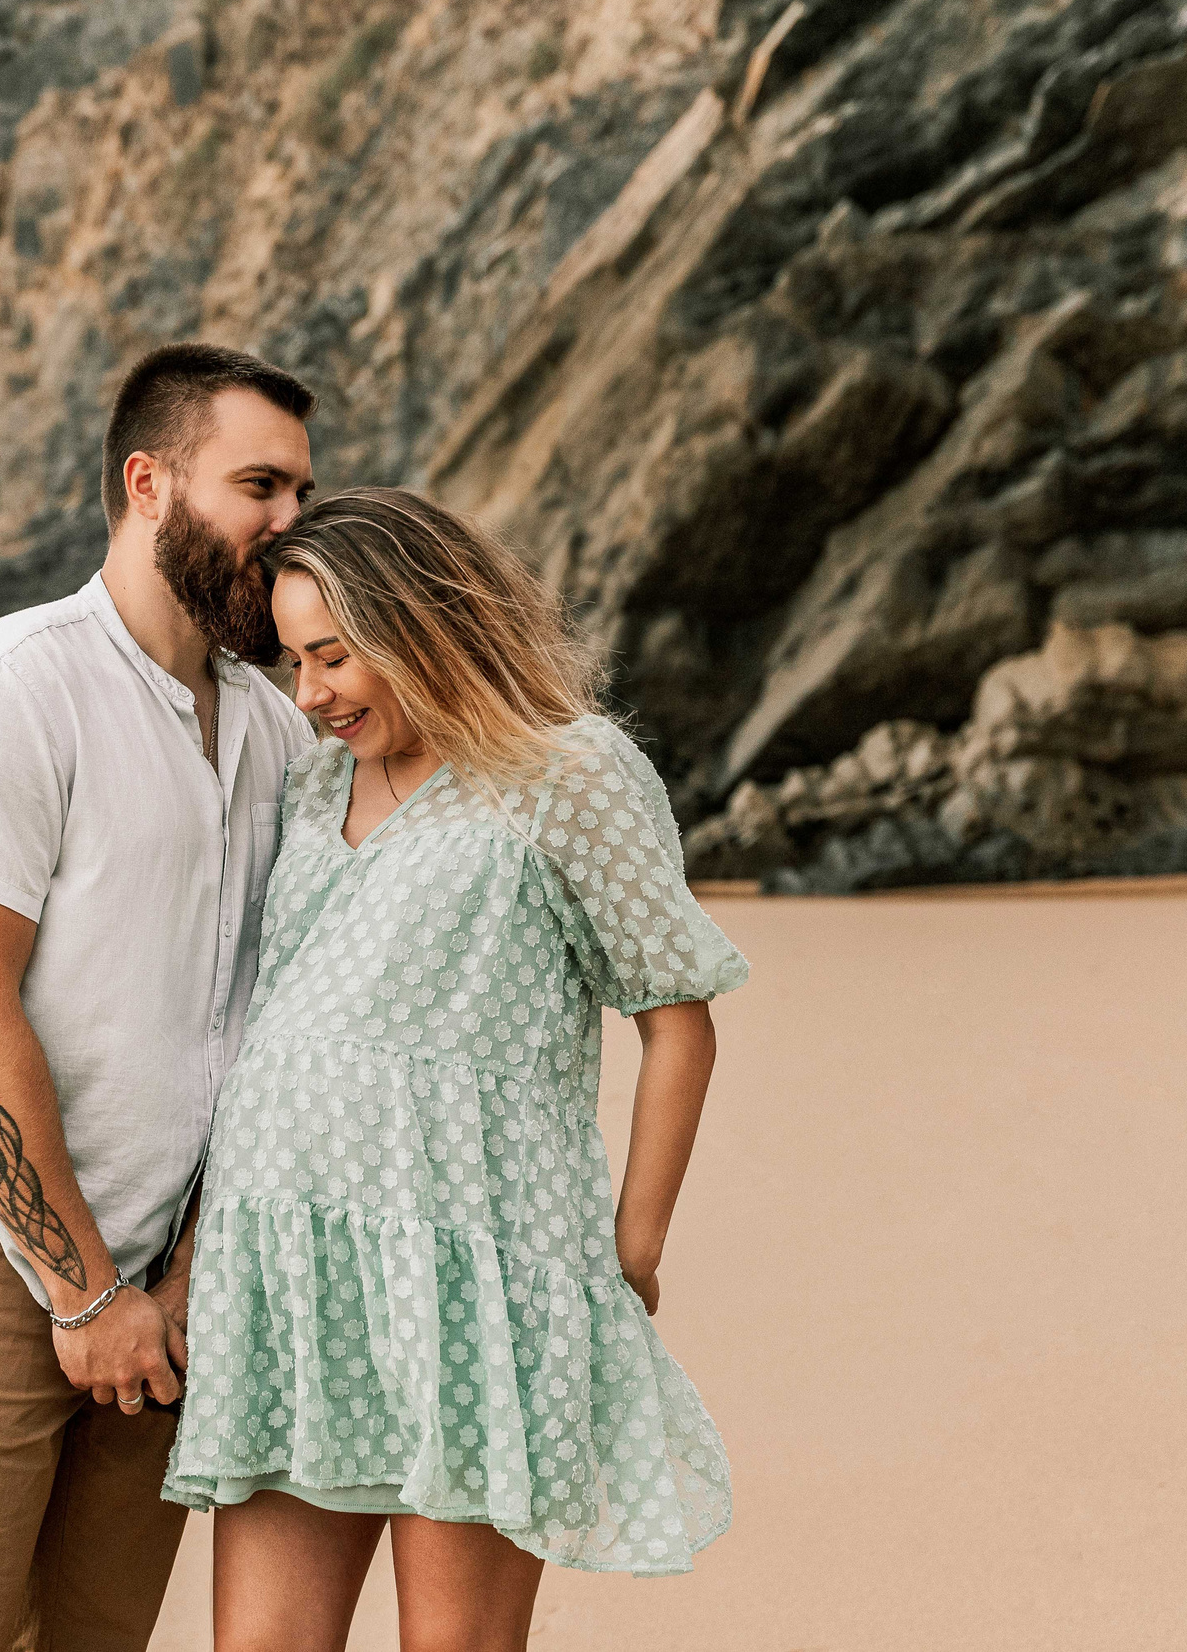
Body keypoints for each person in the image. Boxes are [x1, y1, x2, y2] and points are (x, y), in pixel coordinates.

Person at [162, 488, 748, 1651]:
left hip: (481, 1272)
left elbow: (675, 1016)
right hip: (289, 1268)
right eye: (293, 662)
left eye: (333, 655)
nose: (312, 692)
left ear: (420, 624)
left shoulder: (568, 772)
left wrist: (630, 1253)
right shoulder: (317, 783)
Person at [0, 343, 319, 1652]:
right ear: (148, 481)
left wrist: (190, 1273)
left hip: (165, 1269)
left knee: (95, 1634)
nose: (288, 523)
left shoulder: (275, 731)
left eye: (301, 493)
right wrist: (85, 1292)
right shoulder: (11, 692)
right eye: (257, 483)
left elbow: (263, 1021)